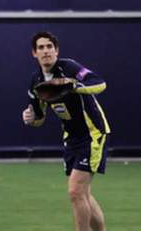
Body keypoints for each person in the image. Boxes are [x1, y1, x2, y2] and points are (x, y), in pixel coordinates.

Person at [22, 30, 110, 231]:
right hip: (71, 139)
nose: (46, 51)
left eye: (49, 47)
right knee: (82, 194)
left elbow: (99, 84)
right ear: (34, 53)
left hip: (93, 133)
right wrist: (30, 117)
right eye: (41, 47)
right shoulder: (36, 81)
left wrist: (72, 86)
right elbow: (38, 117)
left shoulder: (68, 67)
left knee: (75, 192)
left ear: (56, 50)